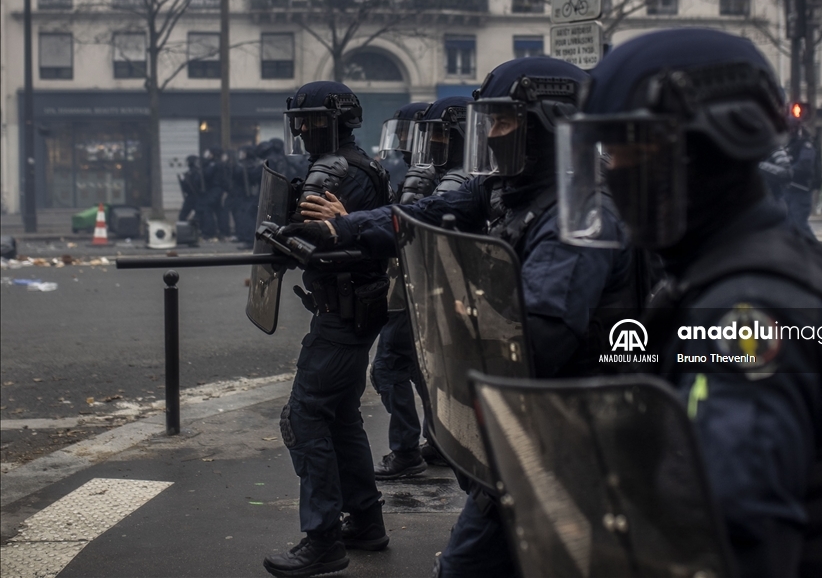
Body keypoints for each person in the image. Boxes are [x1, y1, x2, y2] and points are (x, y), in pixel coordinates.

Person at [287, 56, 637, 578]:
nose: (490, 135)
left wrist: (467, 308)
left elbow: (539, 337)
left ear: (549, 123)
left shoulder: (578, 216)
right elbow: (411, 219)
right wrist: (343, 229)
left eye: (502, 122)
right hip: (524, 433)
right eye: (487, 122)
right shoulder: (505, 189)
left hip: (572, 439)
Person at [561, 27, 822, 577]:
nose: (611, 172)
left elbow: (727, 537)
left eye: (626, 150)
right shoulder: (732, 271)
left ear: (703, 150)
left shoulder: (753, 310)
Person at [262, 81, 394, 578]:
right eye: (300, 120)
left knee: (304, 417)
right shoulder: (367, 166)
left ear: (337, 122)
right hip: (355, 309)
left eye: (313, 120)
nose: (302, 128)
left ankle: (322, 540)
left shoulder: (335, 170)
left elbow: (317, 243)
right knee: (339, 417)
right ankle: (364, 521)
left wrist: (281, 237)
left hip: (343, 313)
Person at [367, 96, 473, 480]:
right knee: (422, 369)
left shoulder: (440, 177)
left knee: (388, 367)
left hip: (424, 291)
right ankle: (439, 439)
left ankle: (406, 451)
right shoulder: (453, 175)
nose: (429, 144)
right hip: (430, 291)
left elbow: (406, 229)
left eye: (437, 134)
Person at [784, 117, 817, 238]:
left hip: (800, 191)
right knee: (786, 227)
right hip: (787, 191)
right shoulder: (788, 145)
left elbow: (805, 165)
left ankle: (816, 253)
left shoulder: (805, 144)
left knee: (799, 226)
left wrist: (785, 172)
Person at [177, 155, 203, 222]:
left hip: (192, 197)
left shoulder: (188, 174)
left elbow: (186, 188)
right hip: (198, 197)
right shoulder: (198, 173)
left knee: (183, 216)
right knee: (199, 215)